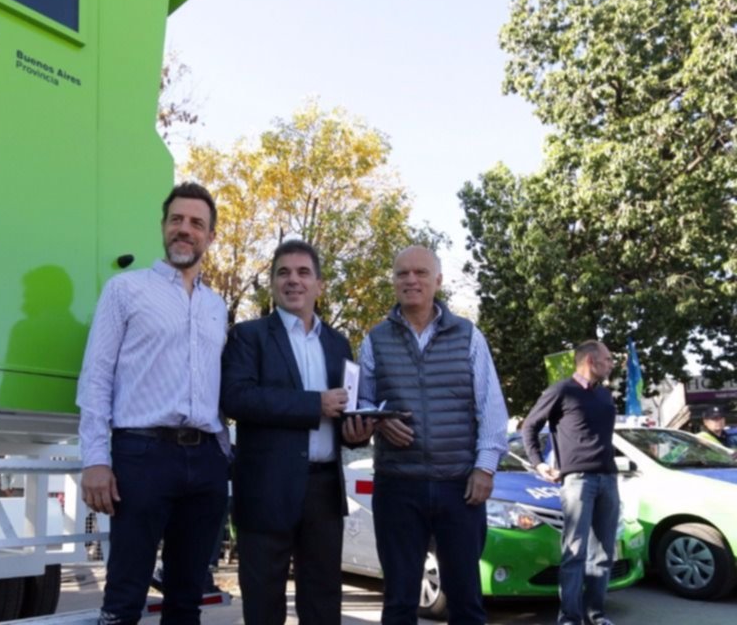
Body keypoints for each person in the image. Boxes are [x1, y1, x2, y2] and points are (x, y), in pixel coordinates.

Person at [77, 181, 230, 625]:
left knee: (186, 600)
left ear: (210, 236)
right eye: (177, 220)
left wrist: (223, 453)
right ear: (164, 227)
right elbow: (96, 377)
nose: (186, 229)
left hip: (205, 461)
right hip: (142, 455)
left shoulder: (216, 307)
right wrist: (95, 460)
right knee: (124, 597)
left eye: (197, 223)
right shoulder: (125, 290)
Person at [221, 239, 375, 625]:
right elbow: (237, 398)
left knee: (323, 604)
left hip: (323, 490)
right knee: (263, 604)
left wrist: (355, 433)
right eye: (283, 273)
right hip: (265, 489)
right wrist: (313, 405)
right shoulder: (248, 336)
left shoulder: (338, 343)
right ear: (272, 283)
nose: (294, 280)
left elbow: (344, 410)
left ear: (319, 285)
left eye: (304, 272)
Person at [358, 245, 508, 625]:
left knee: (466, 602)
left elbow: (490, 407)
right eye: (402, 273)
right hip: (397, 486)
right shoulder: (374, 340)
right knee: (398, 602)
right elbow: (361, 402)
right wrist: (378, 421)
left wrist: (485, 468)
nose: (411, 280)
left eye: (421, 273)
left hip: (458, 487)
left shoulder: (468, 336)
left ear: (438, 280)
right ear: (393, 281)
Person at [521, 340, 620, 625]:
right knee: (575, 552)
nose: (611, 363)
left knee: (603, 553)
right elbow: (529, 426)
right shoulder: (561, 390)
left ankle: (596, 614)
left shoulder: (604, 395)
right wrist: (539, 463)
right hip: (577, 480)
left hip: (609, 478)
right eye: (607, 358)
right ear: (590, 360)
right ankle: (570, 617)